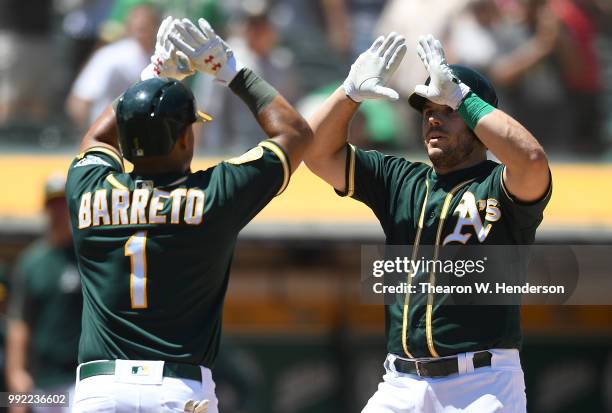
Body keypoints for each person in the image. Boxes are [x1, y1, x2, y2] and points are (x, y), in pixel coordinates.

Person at [66, 16, 311, 413]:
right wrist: (232, 72)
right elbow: (294, 133)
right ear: (184, 137)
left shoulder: (88, 188)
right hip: (176, 389)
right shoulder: (213, 194)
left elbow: (95, 137)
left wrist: (151, 75)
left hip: (100, 390)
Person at [305, 33, 551, 412]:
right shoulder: (401, 179)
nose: (433, 118)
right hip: (401, 383)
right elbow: (317, 153)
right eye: (427, 111)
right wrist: (348, 93)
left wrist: (461, 97)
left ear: (476, 115)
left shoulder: (499, 185)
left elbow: (532, 161)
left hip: (481, 383)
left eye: (447, 109)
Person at [5, 175, 81, 413]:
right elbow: (19, 322)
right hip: (43, 380)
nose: (58, 211)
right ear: (46, 208)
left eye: (63, 204)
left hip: (79, 378)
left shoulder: (87, 258)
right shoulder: (32, 262)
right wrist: (16, 372)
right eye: (53, 204)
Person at [66, 3, 160, 130]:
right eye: (139, 26)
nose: (143, 30)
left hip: (143, 135)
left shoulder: (159, 57)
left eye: (147, 25)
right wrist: (90, 137)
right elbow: (80, 100)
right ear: (128, 26)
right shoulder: (111, 56)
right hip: (108, 133)